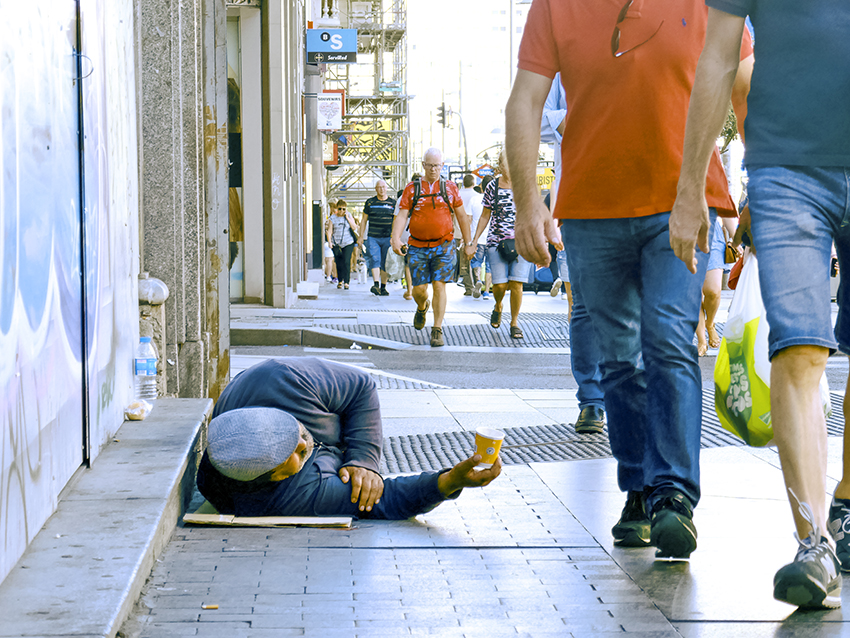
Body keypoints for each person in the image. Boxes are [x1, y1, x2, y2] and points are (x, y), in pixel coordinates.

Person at [506, 0, 752, 558]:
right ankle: (639, 487)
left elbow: (744, 85)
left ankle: (673, 497)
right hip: (592, 208)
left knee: (667, 339)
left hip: (681, 201)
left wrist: (758, 180)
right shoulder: (555, 6)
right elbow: (525, 99)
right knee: (619, 357)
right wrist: (528, 201)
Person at [670, 1, 848, 609]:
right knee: (798, 348)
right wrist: (691, 188)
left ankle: (844, 500)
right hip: (786, 171)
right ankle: (814, 542)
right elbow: (719, 56)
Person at [196, 357, 501, 519]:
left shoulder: (285, 377)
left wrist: (365, 460)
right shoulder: (286, 497)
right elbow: (384, 500)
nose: (304, 442)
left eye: (296, 430)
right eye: (295, 452)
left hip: (297, 393)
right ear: (274, 477)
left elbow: (361, 386)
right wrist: (449, 482)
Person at [541, 76, 604, 434]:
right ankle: (592, 401)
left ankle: (630, 393)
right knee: (583, 303)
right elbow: (535, 114)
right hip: (581, 197)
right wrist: (572, 119)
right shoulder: (566, 62)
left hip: (643, 192)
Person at [392, 148, 472, 348]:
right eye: (430, 165)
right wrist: (395, 239)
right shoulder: (412, 189)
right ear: (423, 165)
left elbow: (462, 216)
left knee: (439, 285)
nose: (434, 169)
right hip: (417, 245)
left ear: (442, 166)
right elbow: (402, 215)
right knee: (419, 290)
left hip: (444, 245)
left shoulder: (451, 188)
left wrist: (469, 242)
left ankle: (437, 329)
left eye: (437, 166)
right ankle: (422, 307)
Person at [467, 150, 542, 340]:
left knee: (517, 284)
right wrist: (475, 240)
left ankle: (514, 322)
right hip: (496, 242)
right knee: (499, 286)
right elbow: (485, 215)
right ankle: (498, 305)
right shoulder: (493, 186)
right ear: (500, 165)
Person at [696, 217, 740, 356]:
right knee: (693, 293)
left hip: (712, 234)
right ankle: (701, 339)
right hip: (682, 231)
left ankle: (710, 324)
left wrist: (736, 239)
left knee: (713, 291)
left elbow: (725, 209)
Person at [358, 180, 397, 297]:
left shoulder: (392, 203)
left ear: (387, 189)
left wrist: (394, 236)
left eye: (383, 187)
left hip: (387, 237)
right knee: (375, 259)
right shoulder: (370, 202)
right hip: (373, 236)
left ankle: (383, 287)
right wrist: (361, 236)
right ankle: (376, 284)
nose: (381, 189)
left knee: (385, 262)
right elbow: (364, 220)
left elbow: (396, 220)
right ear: (376, 189)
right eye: (379, 187)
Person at [326, 199, 358, 290]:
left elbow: (354, 227)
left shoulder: (348, 216)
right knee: (339, 262)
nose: (342, 211)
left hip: (348, 242)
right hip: (336, 243)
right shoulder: (332, 217)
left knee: (347, 261)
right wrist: (330, 242)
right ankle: (340, 280)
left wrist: (348, 218)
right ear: (337, 209)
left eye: (344, 209)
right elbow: (329, 231)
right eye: (340, 209)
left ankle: (347, 282)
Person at [468, 176, 490, 299]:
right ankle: (486, 291)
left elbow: (468, 219)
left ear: (481, 186)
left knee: (476, 261)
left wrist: (467, 239)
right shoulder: (495, 199)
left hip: (477, 238)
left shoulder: (474, 199)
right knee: (490, 265)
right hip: (491, 238)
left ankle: (477, 280)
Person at [456, 174, 477, 296]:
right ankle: (476, 282)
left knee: (463, 262)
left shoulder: (457, 193)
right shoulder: (476, 196)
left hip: (458, 232)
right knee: (472, 259)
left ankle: (468, 286)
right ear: (473, 183)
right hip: (472, 233)